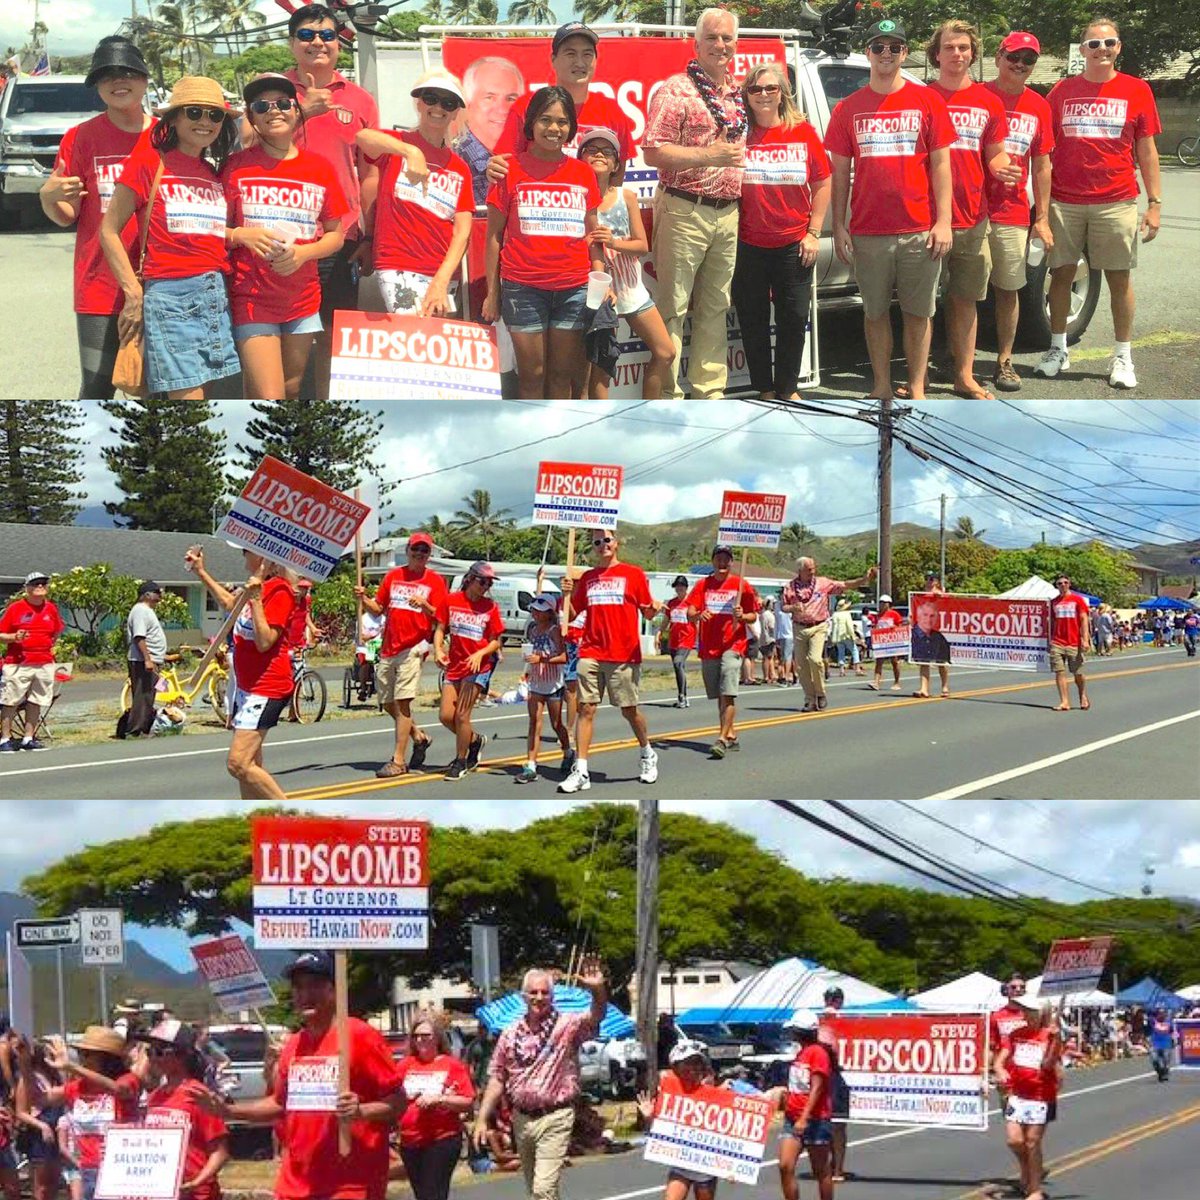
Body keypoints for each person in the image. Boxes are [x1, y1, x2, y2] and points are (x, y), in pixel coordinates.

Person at [196, 951, 405, 1200]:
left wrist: (361, 1111)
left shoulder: (360, 1035)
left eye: (314, 985)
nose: (305, 994)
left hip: (350, 1186)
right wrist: (228, 1111)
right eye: (298, 987)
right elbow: (277, 1105)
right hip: (296, 1184)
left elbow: (399, 1102)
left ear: (333, 990)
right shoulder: (293, 1046)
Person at [825, 18, 955, 401]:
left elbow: (942, 165)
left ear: (904, 53)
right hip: (868, 231)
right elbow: (839, 172)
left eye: (894, 47)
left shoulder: (927, 100)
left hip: (919, 229)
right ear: (867, 53)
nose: (886, 54)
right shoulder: (848, 108)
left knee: (919, 314)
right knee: (875, 313)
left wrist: (944, 221)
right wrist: (840, 226)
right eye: (879, 47)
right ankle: (881, 385)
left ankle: (916, 388)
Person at [1037, 17, 1162, 390]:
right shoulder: (1061, 91)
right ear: (1083, 50)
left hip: (1117, 199)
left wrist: (1154, 203)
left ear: (1118, 47)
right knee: (1061, 274)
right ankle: (1058, 347)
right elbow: (1043, 147)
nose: (1102, 49)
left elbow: (1147, 149)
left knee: (1119, 279)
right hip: (1065, 199)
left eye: (1109, 42)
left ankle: (1122, 355)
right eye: (1094, 44)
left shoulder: (1137, 90)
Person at [100, 77, 240, 400]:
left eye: (214, 115)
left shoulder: (210, 171)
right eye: (194, 112)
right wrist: (133, 293)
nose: (205, 122)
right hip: (172, 297)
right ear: (174, 118)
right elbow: (108, 230)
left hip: (215, 294)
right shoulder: (150, 161)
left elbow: (209, 235)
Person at [39, 36, 154, 399]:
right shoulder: (80, 137)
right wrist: (47, 198)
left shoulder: (168, 134)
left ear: (144, 78)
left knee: (161, 391)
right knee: (95, 388)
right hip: (98, 287)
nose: (119, 81)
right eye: (107, 75)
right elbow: (67, 214)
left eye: (127, 72)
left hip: (164, 285)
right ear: (97, 86)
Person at [224, 72, 348, 401]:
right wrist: (240, 234)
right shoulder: (234, 167)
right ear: (251, 118)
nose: (273, 110)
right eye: (261, 106)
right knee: (270, 393)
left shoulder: (320, 168)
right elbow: (211, 231)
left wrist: (304, 254)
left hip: (302, 299)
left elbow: (336, 235)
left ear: (297, 111)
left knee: (292, 388)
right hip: (251, 297)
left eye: (282, 103)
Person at [643, 9, 746, 399]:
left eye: (727, 39)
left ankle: (710, 393)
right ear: (696, 43)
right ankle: (669, 398)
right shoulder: (675, 90)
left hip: (728, 213)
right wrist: (709, 156)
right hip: (685, 209)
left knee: (716, 308)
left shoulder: (738, 93)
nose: (721, 45)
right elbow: (652, 152)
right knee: (673, 308)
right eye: (713, 38)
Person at [282, 5, 380, 400]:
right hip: (284, 237)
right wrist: (299, 112)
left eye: (326, 35)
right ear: (292, 44)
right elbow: (245, 147)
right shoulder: (272, 92)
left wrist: (370, 236)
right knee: (286, 343)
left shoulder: (360, 100)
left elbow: (370, 172)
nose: (317, 42)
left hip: (342, 237)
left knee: (332, 343)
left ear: (338, 42)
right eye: (306, 35)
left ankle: (321, 405)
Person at [483, 87, 606, 399]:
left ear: (571, 128)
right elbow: (494, 236)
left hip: (573, 291)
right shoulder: (509, 170)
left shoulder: (582, 173)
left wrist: (599, 284)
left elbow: (593, 236)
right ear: (531, 124)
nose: (554, 129)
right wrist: (492, 294)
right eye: (545, 120)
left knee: (561, 378)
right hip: (523, 290)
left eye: (562, 122)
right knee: (531, 377)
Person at [925, 20, 1016, 400]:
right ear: (936, 54)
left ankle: (964, 375)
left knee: (965, 298)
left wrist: (1004, 168)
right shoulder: (921, 97)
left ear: (973, 54)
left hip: (973, 215)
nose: (957, 54)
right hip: (925, 217)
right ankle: (920, 378)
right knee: (922, 303)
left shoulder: (988, 101)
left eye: (964, 48)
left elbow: (995, 153)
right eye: (950, 47)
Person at [732, 61, 831, 400]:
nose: (763, 95)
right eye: (755, 89)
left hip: (794, 243)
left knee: (793, 318)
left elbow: (822, 181)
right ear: (746, 95)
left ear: (782, 94)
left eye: (770, 88)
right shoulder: (738, 134)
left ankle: (788, 389)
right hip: (748, 244)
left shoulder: (801, 132)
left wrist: (814, 232)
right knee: (753, 320)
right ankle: (764, 388)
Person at [470, 958, 607, 1200]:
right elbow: (497, 1077)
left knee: (543, 1189)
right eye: (533, 992)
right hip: (522, 1119)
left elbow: (596, 1016)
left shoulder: (567, 1025)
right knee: (536, 1190)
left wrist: (597, 990)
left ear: (552, 997)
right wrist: (481, 1119)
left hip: (556, 1116)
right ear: (524, 996)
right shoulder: (510, 1034)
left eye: (545, 992)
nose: (539, 997)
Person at [185, 545, 298, 798]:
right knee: (251, 766)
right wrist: (200, 571)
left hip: (267, 688)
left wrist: (257, 599)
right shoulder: (253, 587)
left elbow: (265, 641)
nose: (243, 554)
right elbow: (228, 604)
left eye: (246, 550)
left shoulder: (281, 591)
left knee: (238, 764)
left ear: (263, 556)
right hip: (246, 688)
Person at [357, 75, 473, 317]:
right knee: (417, 334)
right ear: (419, 103)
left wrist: (441, 281)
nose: (438, 108)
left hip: (443, 273)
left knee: (434, 348)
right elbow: (362, 137)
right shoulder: (396, 143)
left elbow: (462, 232)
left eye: (448, 104)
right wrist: (409, 151)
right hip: (397, 264)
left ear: (455, 114)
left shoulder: (460, 167)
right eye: (431, 98)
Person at [558, 529, 662, 793]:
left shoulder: (633, 574)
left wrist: (655, 608)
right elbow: (575, 611)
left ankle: (647, 753)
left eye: (606, 540)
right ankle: (581, 770)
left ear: (616, 543)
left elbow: (647, 613)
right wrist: (567, 592)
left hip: (623, 654)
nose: (602, 545)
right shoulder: (589, 578)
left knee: (628, 710)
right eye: (596, 542)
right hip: (591, 651)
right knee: (586, 709)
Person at [580, 129, 674, 400]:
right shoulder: (577, 199)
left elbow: (642, 246)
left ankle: (647, 412)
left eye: (607, 151)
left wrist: (613, 242)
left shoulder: (626, 197)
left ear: (616, 164)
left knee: (666, 352)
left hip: (633, 290)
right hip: (600, 295)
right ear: (580, 158)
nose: (599, 154)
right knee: (601, 369)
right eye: (591, 150)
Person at [985, 33, 1055, 393]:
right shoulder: (978, 96)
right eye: (1014, 56)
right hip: (969, 210)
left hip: (1012, 210)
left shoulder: (1039, 105)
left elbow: (1042, 165)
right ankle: (956, 359)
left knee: (1008, 288)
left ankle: (1005, 361)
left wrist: (1040, 217)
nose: (1020, 65)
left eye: (1028, 60)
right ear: (999, 56)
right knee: (958, 292)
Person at [354, 532, 447, 779]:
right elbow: (378, 607)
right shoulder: (393, 576)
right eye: (415, 549)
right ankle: (418, 736)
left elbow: (442, 616)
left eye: (424, 551)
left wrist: (425, 605)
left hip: (414, 646)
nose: (419, 554)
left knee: (403, 701)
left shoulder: (435, 581)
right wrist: (362, 597)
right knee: (386, 702)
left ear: (429, 555)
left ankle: (398, 760)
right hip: (388, 646)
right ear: (407, 550)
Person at [492, 25, 634, 167]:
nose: (579, 63)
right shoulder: (526, 105)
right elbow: (504, 164)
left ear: (596, 60)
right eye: (570, 54)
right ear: (553, 59)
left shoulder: (612, 110)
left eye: (587, 54)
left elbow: (618, 170)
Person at [37, 1028, 141, 1200]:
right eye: (80, 1053)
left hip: (120, 1169)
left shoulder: (128, 1080)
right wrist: (26, 1064)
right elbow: (39, 1099)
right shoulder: (77, 1086)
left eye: (87, 1054)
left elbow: (117, 1090)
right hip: (88, 1170)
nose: (82, 1058)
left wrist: (72, 1067)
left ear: (107, 1058)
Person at [141, 1020, 230, 1200]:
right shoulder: (155, 1097)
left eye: (159, 1052)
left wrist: (196, 1182)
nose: (152, 1058)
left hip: (197, 1194)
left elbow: (220, 1153)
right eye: (149, 1052)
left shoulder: (198, 1095)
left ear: (181, 1055)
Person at [686, 545, 759, 758]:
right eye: (718, 558)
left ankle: (721, 738)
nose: (722, 562)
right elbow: (690, 611)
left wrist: (743, 616)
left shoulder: (741, 585)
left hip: (733, 644)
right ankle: (732, 735)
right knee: (719, 693)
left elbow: (753, 615)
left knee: (728, 690)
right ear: (712, 561)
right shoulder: (703, 585)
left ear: (732, 562)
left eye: (726, 558)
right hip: (709, 646)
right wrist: (698, 615)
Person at [434, 561, 504, 781]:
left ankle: (460, 761)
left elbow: (495, 642)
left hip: (478, 666)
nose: (485, 586)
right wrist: (437, 649)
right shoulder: (451, 601)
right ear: (470, 579)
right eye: (482, 581)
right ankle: (474, 740)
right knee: (446, 716)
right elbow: (440, 628)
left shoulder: (490, 607)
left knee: (462, 715)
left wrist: (480, 654)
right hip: (455, 665)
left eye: (489, 582)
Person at [394, 1012, 475, 1200]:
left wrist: (439, 1099)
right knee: (421, 1195)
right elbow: (391, 1094)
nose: (420, 1040)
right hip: (409, 1141)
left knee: (433, 1194)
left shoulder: (451, 1065)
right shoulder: (405, 1065)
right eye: (416, 1036)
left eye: (426, 1035)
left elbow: (467, 1101)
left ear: (437, 1037)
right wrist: (403, 1097)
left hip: (441, 1139)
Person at [782, 557, 878, 712]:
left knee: (815, 659)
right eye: (809, 569)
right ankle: (810, 699)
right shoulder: (790, 587)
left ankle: (820, 693)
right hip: (799, 627)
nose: (813, 571)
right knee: (801, 666)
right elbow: (783, 607)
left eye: (814, 568)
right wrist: (793, 607)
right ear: (800, 571)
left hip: (818, 626)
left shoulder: (823, 583)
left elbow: (846, 585)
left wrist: (865, 579)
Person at [636, 1040, 718, 1200]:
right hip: (681, 1164)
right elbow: (659, 1134)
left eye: (696, 1063)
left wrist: (733, 1166)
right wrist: (649, 1117)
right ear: (676, 1067)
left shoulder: (714, 1094)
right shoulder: (668, 1095)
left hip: (706, 1166)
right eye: (686, 1063)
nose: (692, 1068)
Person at [996, 997, 1060, 1200]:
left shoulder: (1048, 1036)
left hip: (1040, 1096)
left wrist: (1056, 1040)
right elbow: (1001, 1059)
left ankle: (1035, 1190)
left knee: (1032, 1142)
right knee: (1014, 1140)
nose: (1024, 1014)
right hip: (1017, 1094)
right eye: (1023, 1010)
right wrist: (999, 1070)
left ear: (1041, 1014)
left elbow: (1049, 1065)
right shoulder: (1015, 1034)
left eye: (1030, 1010)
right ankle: (1030, 1169)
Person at [0, 571, 64, 752]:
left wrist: (50, 645)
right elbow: (1, 634)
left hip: (43, 661)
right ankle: (5, 738)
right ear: (27, 588)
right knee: (11, 700)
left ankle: (28, 737)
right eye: (36, 584)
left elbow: (57, 630)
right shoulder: (16, 608)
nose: (41, 586)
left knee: (37, 700)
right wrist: (14, 637)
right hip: (19, 662)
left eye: (44, 583)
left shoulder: (51, 608)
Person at [518, 594, 573, 784]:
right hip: (536, 683)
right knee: (534, 722)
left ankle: (567, 752)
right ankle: (531, 764)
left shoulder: (554, 630)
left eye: (538, 611)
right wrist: (527, 670)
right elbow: (531, 653)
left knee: (556, 724)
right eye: (533, 610)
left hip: (553, 683)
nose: (534, 613)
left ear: (549, 613)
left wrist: (542, 659)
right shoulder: (533, 630)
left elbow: (564, 657)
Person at [778, 1011, 834, 1200]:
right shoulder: (801, 1053)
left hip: (815, 1120)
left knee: (821, 1170)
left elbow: (817, 1088)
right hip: (792, 1117)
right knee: (785, 1165)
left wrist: (804, 1117)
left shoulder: (818, 1053)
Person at [458, 57, 525, 205]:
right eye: (489, 97)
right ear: (467, 103)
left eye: (511, 98)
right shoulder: (450, 160)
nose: (502, 109)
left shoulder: (529, 157)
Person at [13, 1037, 66, 1200]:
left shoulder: (55, 1076)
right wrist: (42, 1125)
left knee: (54, 1183)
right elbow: (20, 1112)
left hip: (58, 1128)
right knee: (41, 1185)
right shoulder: (28, 1079)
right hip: (40, 1132)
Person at [123, 580, 167, 738]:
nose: (159, 597)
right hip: (142, 661)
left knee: (149, 695)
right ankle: (135, 730)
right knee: (143, 695)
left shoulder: (147, 611)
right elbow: (139, 637)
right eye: (157, 593)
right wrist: (147, 659)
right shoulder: (140, 610)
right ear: (147, 594)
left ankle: (144, 727)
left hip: (150, 659)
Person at [817, 989, 851, 1184]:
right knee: (836, 1124)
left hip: (827, 1074)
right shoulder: (827, 1020)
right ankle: (836, 1168)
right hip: (832, 1074)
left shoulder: (822, 1020)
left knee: (830, 1123)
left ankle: (834, 1167)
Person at [1050, 575, 1090, 712]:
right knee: (1059, 672)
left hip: (1074, 641)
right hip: (1057, 641)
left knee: (1077, 672)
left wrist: (1085, 639)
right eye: (1059, 583)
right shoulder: (1054, 602)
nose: (1063, 585)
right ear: (1056, 585)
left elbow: (1084, 619)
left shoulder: (1078, 600)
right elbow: (1051, 622)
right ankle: (1064, 701)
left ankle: (1082, 695)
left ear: (1069, 584)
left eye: (1065, 582)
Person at [911, 578, 951, 697]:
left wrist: (941, 594)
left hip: (939, 630)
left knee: (941, 661)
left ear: (937, 582)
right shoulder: (921, 596)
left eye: (932, 579)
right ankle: (924, 689)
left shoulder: (941, 594)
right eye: (928, 579)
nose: (929, 581)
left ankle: (944, 687)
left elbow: (951, 604)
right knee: (924, 660)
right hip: (923, 630)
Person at [665, 575, 697, 708]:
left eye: (682, 586)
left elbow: (696, 619)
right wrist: (660, 633)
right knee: (678, 667)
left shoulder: (691, 603)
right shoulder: (671, 603)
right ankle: (683, 695)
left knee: (678, 663)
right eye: (677, 586)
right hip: (674, 639)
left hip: (687, 639)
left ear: (686, 587)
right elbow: (667, 620)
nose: (679, 589)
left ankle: (682, 697)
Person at [868, 594, 904, 691]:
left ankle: (897, 682)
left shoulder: (894, 614)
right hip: (881, 641)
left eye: (884, 603)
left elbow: (900, 627)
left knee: (894, 661)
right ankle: (876, 682)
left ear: (889, 604)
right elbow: (875, 626)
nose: (882, 605)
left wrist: (895, 629)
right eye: (880, 603)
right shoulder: (878, 616)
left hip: (892, 641)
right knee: (879, 661)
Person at [829, 598, 856, 677]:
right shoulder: (847, 614)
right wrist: (853, 635)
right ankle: (857, 668)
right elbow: (849, 626)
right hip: (846, 635)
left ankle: (841, 670)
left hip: (837, 637)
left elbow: (833, 626)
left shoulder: (835, 614)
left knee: (841, 652)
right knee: (854, 650)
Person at [1147, 1008, 1175, 1082]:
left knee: (1166, 1060)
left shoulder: (1169, 1022)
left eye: (1163, 1013)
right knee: (1154, 1059)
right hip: (1155, 1044)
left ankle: (1165, 1073)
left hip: (1166, 1044)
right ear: (1157, 1015)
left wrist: (1174, 1040)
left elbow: (1172, 1032)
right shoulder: (1153, 1021)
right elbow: (1148, 1014)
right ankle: (1160, 1073)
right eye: (1160, 1013)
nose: (1162, 1015)